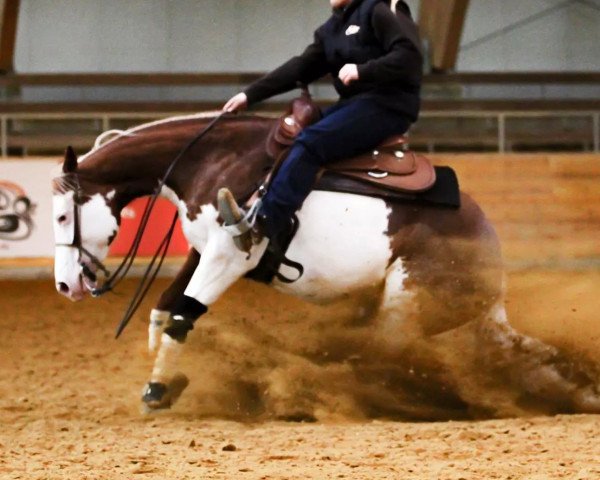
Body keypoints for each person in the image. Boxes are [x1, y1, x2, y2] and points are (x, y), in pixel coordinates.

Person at [219, 0, 423, 250]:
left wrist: (363, 70)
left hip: (388, 105)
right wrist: (249, 95)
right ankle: (257, 206)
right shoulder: (333, 27)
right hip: (355, 104)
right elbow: (300, 67)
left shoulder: (380, 9)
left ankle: (265, 224)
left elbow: (410, 56)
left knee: (312, 140)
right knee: (295, 136)